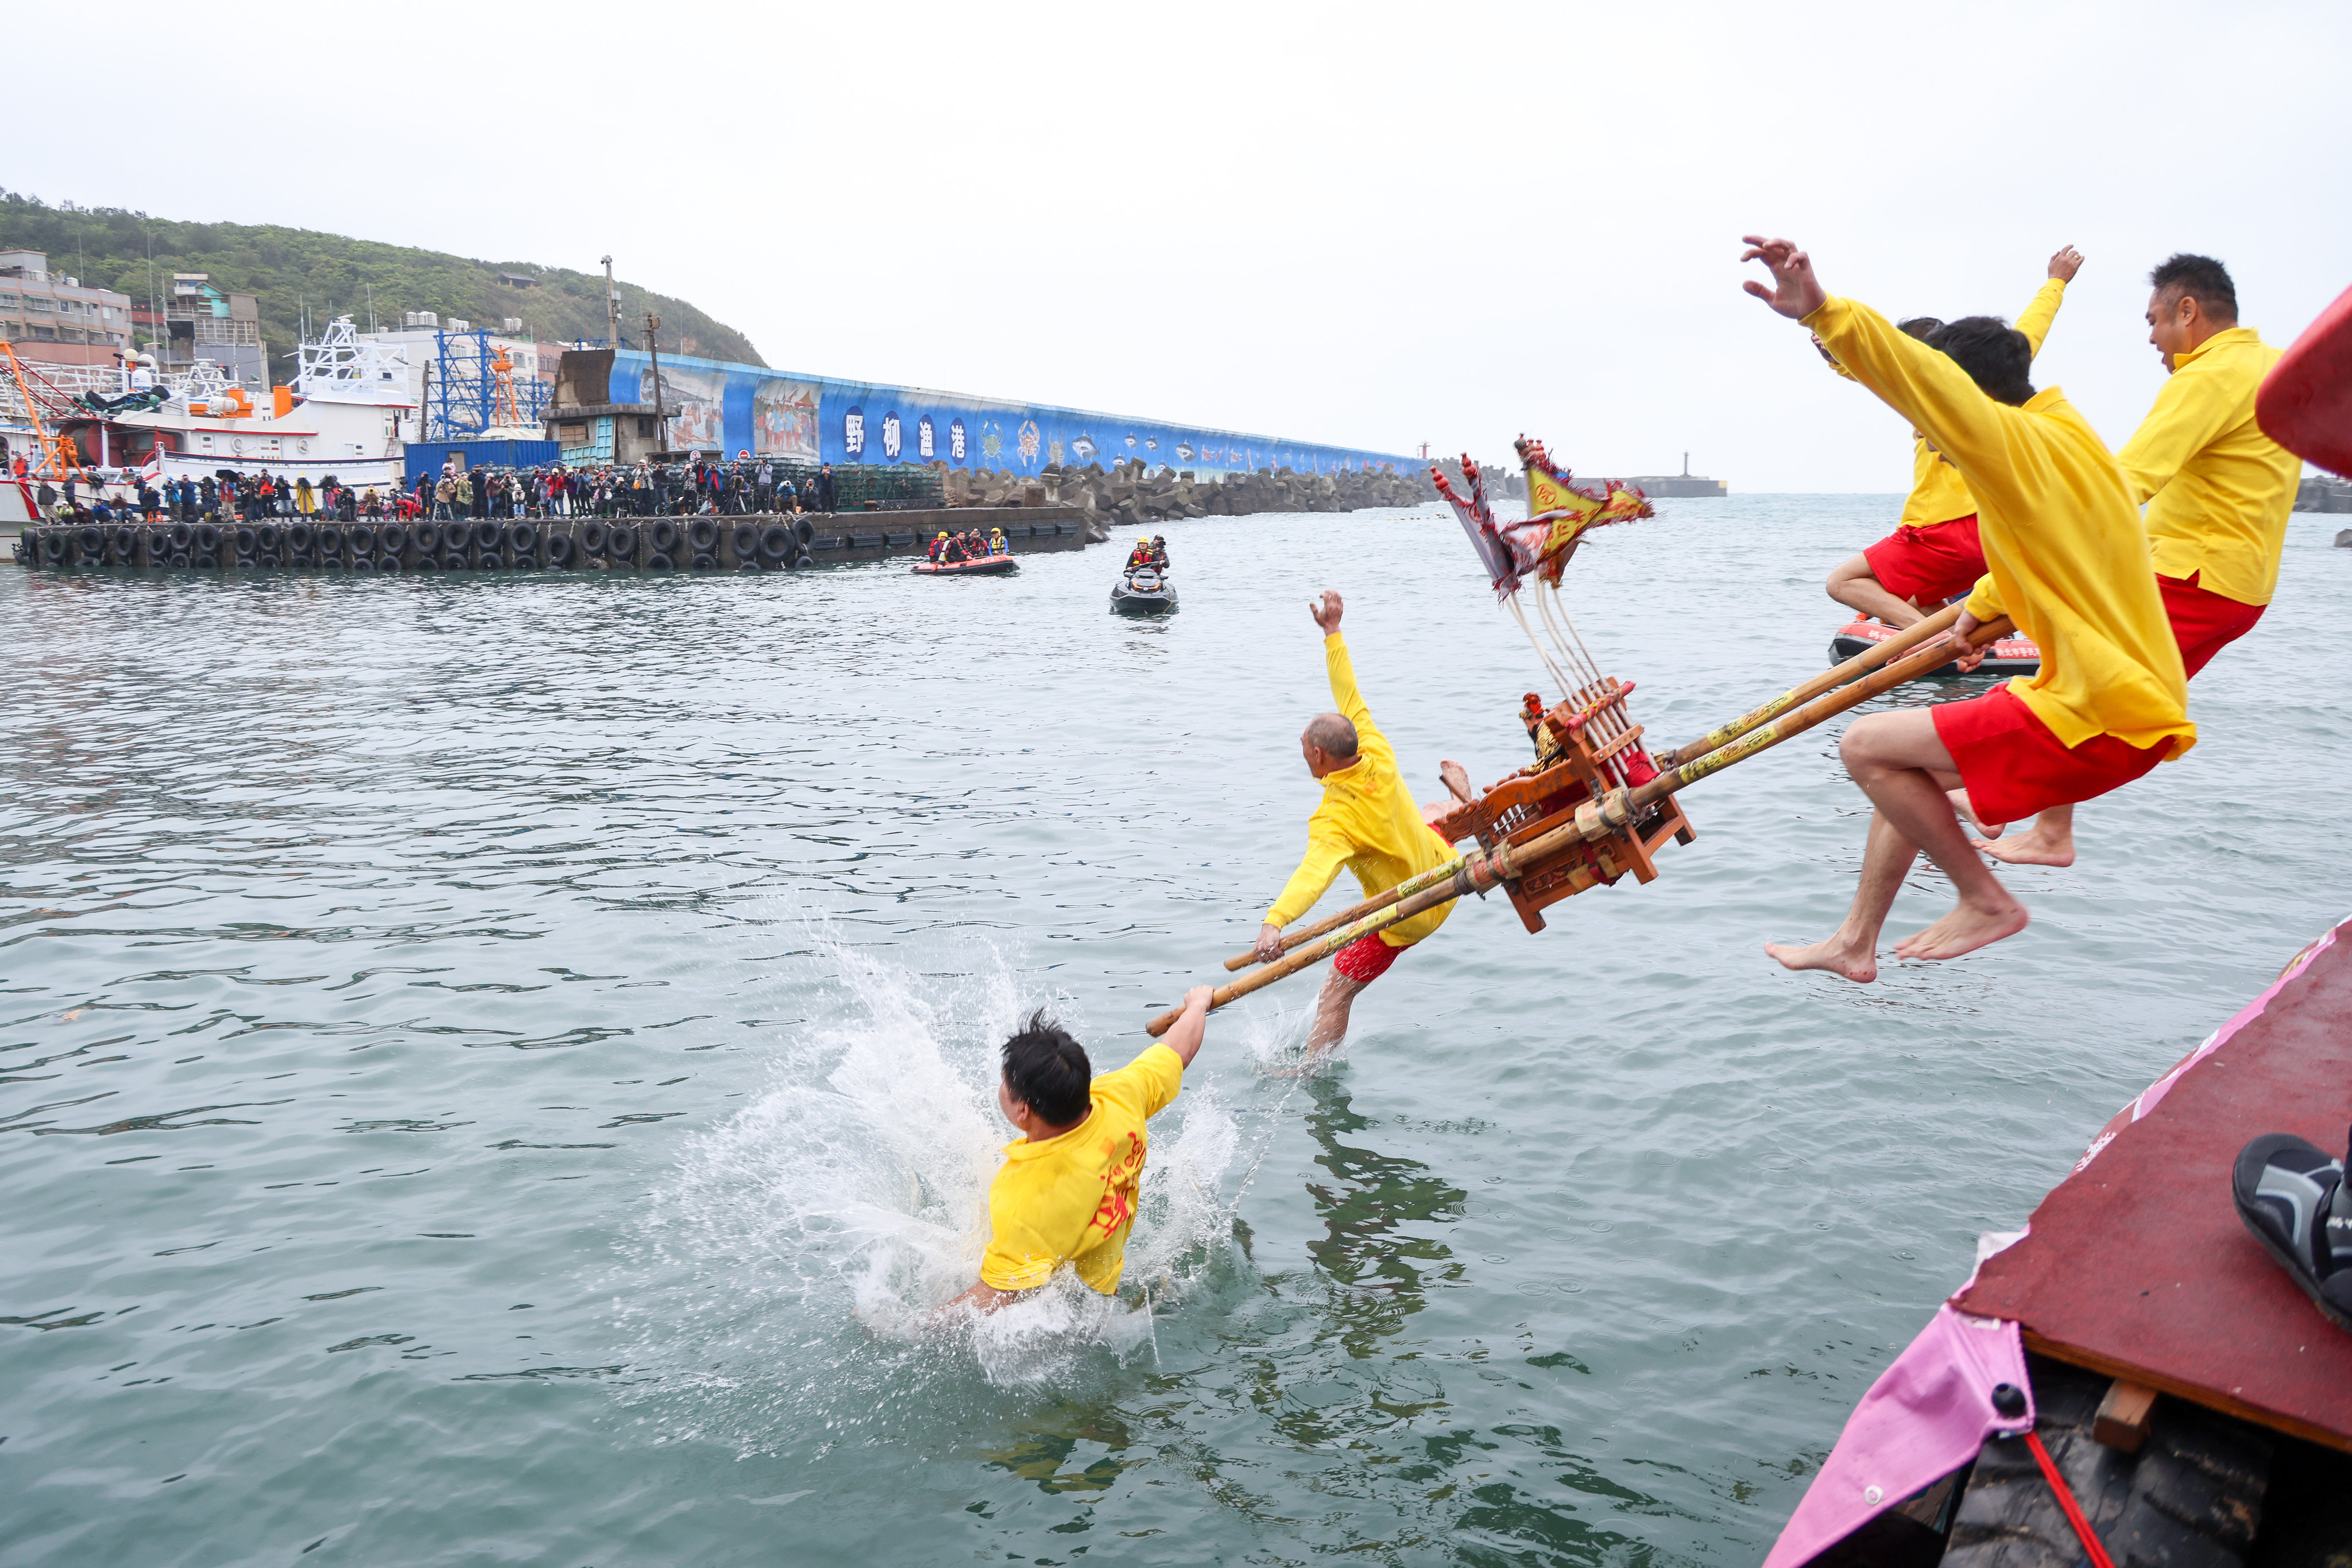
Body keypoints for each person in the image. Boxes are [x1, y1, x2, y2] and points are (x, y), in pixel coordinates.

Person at [1742, 234, 2190, 981]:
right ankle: (1857, 941)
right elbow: (2036, 550)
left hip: (2101, 710)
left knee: (1863, 746)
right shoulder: (2066, 435)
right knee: (1904, 776)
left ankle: (1985, 899)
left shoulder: (2011, 445)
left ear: (1973, 403)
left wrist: (1823, 313)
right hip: (2121, 704)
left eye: (1941, 427)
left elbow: (1925, 381)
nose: (1934, 441)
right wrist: (1973, 614)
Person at [1974, 253, 2301, 867]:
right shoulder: (2273, 366)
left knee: (2079, 684)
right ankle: (2031, 816)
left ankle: (2022, 813)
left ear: (2188, 310)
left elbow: (2123, 486)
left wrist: (1992, 596)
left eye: (2153, 320)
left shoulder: (2208, 376)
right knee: (2107, 698)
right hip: (2241, 584)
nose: (2150, 337)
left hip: (2194, 575)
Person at [1252, 591, 1476, 1054]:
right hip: (1443, 865)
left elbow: (1314, 873)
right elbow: (1348, 693)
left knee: (1336, 990)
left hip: (1411, 912)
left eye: (1303, 746)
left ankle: (1313, 1072)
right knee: (1430, 811)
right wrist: (1333, 633)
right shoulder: (1376, 749)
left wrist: (1276, 923)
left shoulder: (1338, 820)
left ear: (1318, 755)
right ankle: (1460, 804)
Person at [1821, 248, 2080, 629]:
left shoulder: (1924, 395)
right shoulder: (1991, 383)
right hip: (1994, 533)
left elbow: (1876, 367)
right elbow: (2029, 331)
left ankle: (1926, 642)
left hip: (1940, 532)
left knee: (1841, 581)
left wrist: (1835, 351)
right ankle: (1951, 646)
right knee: (1915, 600)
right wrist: (2056, 283)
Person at [935, 986, 1217, 1315]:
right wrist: (1198, 1005)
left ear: (1023, 1111)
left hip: (1073, 1310)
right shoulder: (1121, 1096)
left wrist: (913, 1328)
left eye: (1005, 1083)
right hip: (1105, 1282)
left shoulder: (1027, 1198)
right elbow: (1177, 1051)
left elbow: (995, 1296)